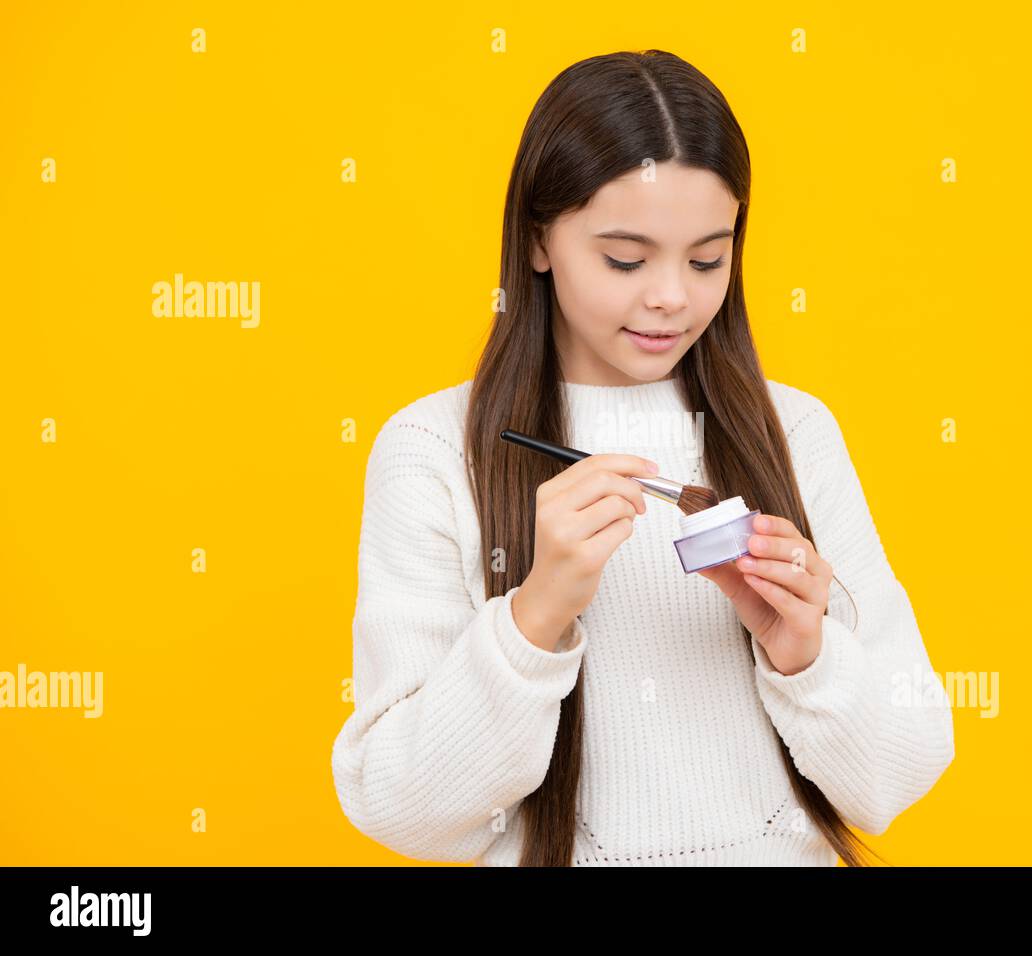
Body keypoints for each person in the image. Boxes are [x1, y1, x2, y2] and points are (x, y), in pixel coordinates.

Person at [330, 49, 955, 866]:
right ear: (536, 241)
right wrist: (535, 615)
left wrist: (806, 654)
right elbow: (401, 808)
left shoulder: (794, 432)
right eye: (625, 259)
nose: (672, 296)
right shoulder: (434, 450)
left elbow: (898, 776)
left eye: (708, 259)